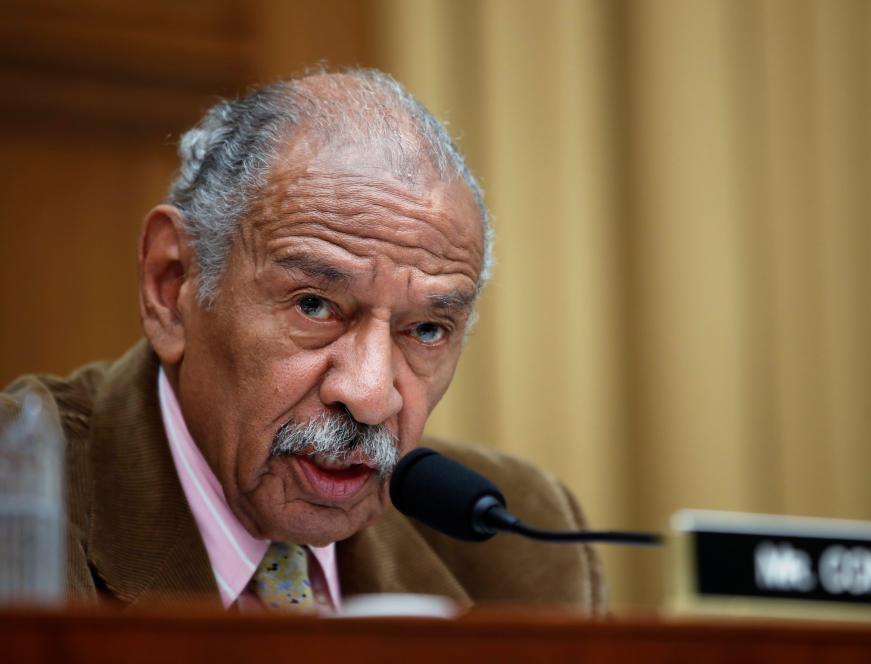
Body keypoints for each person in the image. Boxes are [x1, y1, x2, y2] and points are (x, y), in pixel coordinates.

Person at [0, 69, 604, 614]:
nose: (370, 396)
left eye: (425, 329)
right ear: (172, 284)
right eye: (315, 305)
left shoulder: (521, 544)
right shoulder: (19, 497)